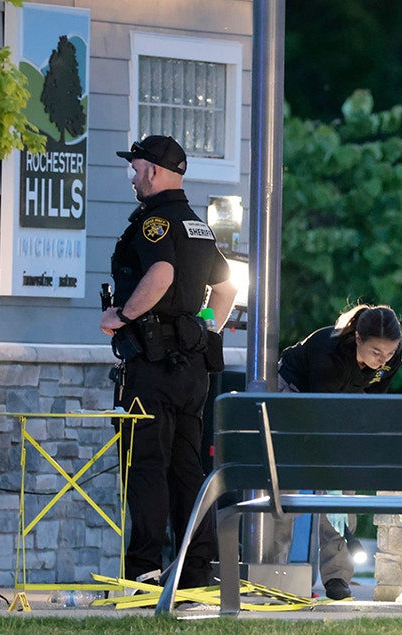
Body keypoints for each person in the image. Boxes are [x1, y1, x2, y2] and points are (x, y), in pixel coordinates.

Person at [102, 135, 237, 590]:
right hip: (193, 369)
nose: (133, 177)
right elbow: (227, 289)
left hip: (153, 366)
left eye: (135, 168)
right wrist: (204, 329)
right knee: (186, 470)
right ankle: (195, 574)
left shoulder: (154, 224)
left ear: (154, 171)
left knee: (145, 465)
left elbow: (161, 275)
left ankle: (144, 571)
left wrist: (121, 315)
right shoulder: (197, 226)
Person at [272, 304, 402, 599]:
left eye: (390, 353)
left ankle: (337, 576)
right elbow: (322, 418)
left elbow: (368, 407)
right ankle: (273, 570)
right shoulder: (326, 351)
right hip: (294, 396)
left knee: (344, 487)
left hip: (336, 405)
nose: (384, 360)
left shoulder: (389, 361)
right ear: (357, 338)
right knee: (286, 485)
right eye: (376, 352)